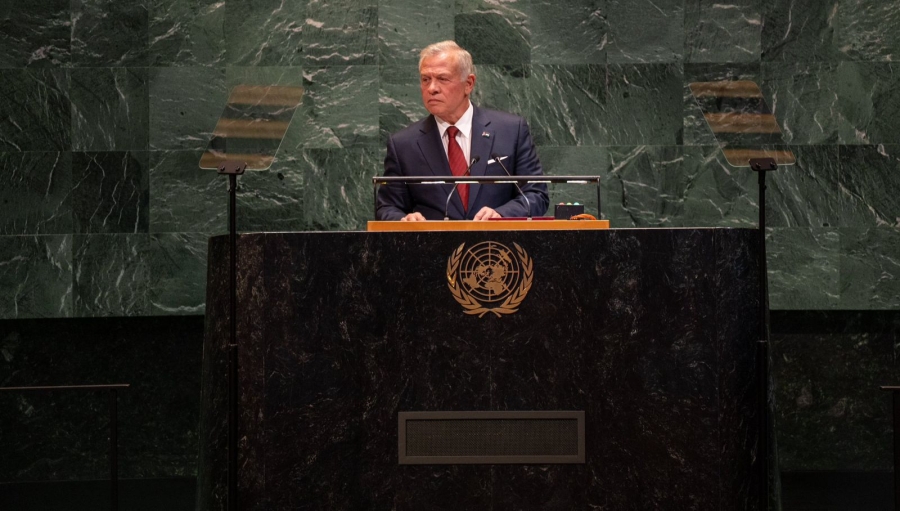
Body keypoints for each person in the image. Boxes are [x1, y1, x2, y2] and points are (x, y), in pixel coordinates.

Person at [376, 41, 549, 221]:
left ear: (469, 84)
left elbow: (536, 194)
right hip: (433, 239)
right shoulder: (404, 144)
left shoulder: (511, 131)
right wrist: (404, 221)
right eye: (426, 79)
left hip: (495, 238)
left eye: (442, 79)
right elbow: (388, 207)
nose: (432, 88)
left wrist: (501, 215)